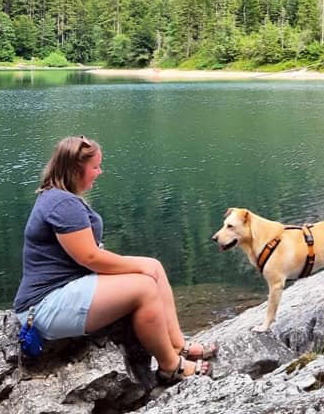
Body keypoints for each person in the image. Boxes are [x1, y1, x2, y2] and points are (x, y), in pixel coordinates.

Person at [13, 135, 217, 384]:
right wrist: (138, 268)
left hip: (65, 289)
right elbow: (89, 257)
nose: (100, 172)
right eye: (95, 167)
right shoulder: (62, 204)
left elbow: (89, 257)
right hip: (44, 306)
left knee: (154, 267)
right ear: (77, 169)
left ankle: (178, 345)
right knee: (144, 288)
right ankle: (170, 366)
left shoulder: (59, 197)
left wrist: (143, 266)